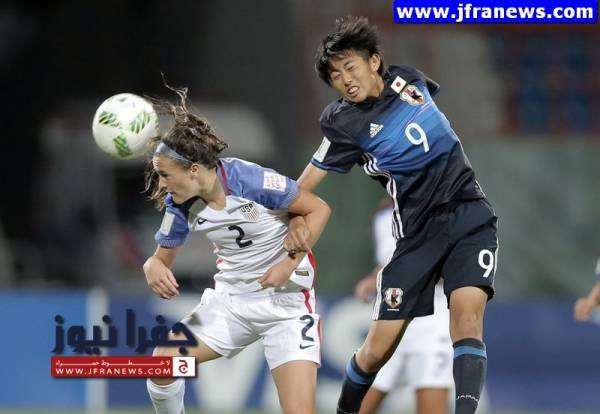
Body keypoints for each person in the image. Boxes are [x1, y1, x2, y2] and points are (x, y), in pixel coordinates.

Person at [284, 16, 498, 414]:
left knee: (467, 323)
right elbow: (304, 185)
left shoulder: (410, 79)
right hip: (417, 235)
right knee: (375, 352)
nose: (345, 80)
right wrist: (295, 217)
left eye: (350, 67)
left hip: (470, 216)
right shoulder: (344, 123)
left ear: (374, 62)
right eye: (335, 76)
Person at [142, 85, 331, 414]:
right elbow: (160, 260)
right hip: (231, 304)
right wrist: (153, 267)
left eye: (165, 174)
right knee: (162, 364)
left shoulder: (251, 180)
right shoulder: (180, 203)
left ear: (193, 170)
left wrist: (288, 265)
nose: (162, 184)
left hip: (286, 306)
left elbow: (317, 208)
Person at [354, 201, 453, 414]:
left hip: (430, 324)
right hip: (388, 321)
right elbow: (387, 261)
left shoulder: (444, 212)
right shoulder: (383, 214)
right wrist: (374, 278)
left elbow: (456, 269)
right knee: (356, 405)